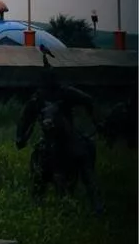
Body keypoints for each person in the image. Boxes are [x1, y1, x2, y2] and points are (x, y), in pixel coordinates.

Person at [16, 46, 102, 213]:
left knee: (85, 163)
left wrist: (96, 121)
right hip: (48, 142)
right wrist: (20, 137)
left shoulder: (65, 92)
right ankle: (36, 206)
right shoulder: (39, 98)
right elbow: (25, 117)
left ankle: (96, 203)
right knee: (39, 169)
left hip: (70, 138)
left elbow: (88, 100)